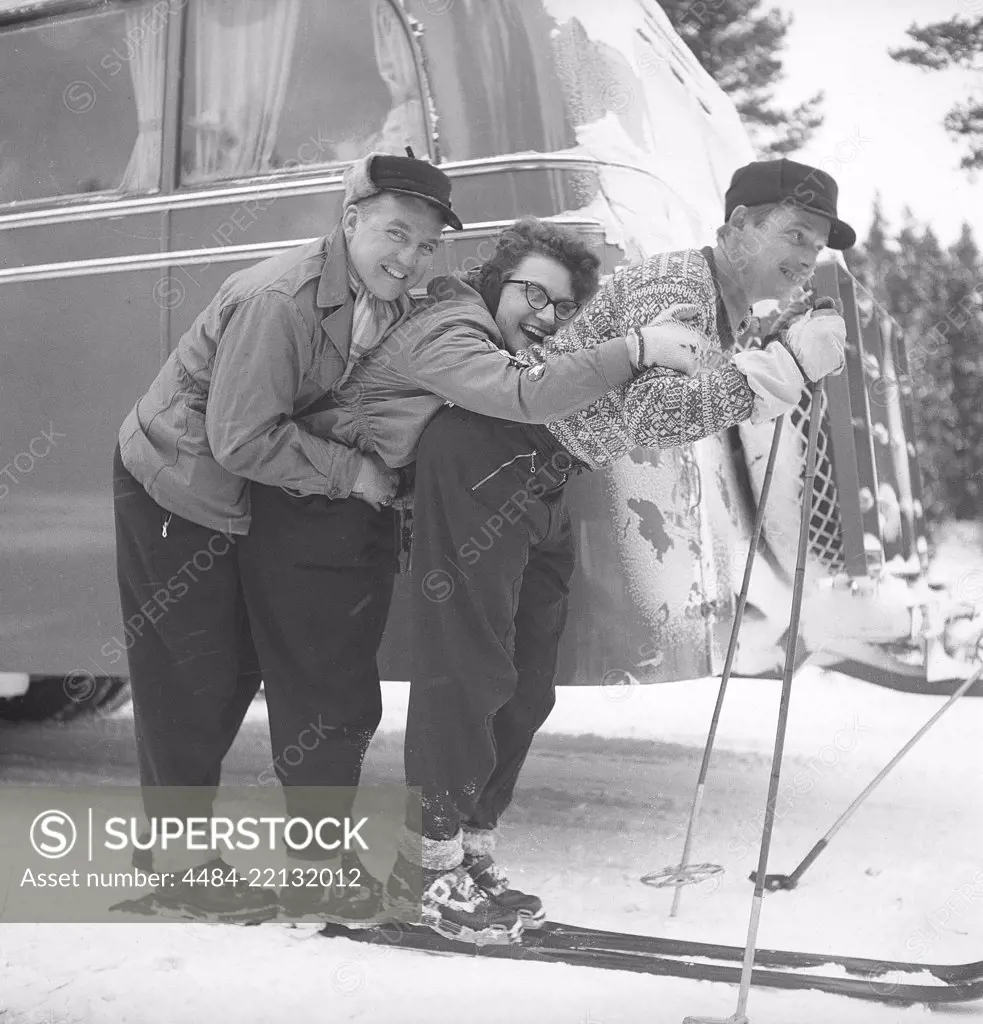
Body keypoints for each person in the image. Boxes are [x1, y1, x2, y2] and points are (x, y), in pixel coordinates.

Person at [112, 150, 693, 923]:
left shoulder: (394, 299)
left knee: (307, 683)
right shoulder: (278, 298)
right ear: (351, 220)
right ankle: (176, 869)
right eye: (394, 233)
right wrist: (355, 477)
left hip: (267, 494)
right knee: (193, 678)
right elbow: (241, 438)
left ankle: (310, 863)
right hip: (177, 484)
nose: (408, 256)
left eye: (425, 245)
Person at [381, 158, 855, 945]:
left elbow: (664, 409)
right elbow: (655, 415)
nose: (807, 255)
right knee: (467, 666)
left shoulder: (725, 307)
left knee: (526, 682)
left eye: (817, 244)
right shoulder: (677, 286)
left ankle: (467, 853)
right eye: (793, 234)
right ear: (735, 228)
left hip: (543, 470)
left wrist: (762, 360)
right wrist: (784, 369)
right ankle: (423, 872)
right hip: (488, 452)